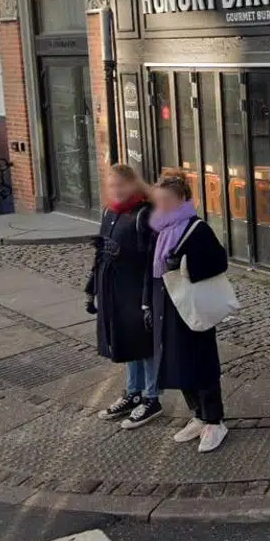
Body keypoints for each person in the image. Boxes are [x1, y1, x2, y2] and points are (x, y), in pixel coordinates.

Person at [149, 171, 231, 453]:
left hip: (193, 306)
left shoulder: (196, 228)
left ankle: (214, 420)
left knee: (202, 361)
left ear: (182, 199)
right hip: (168, 306)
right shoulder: (160, 230)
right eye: (159, 201)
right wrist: (148, 303)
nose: (162, 206)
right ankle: (197, 414)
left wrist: (185, 265)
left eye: (167, 200)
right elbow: (154, 272)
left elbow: (220, 261)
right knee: (179, 363)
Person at [87, 164, 162, 429]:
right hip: (113, 289)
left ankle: (152, 397)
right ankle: (134, 392)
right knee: (126, 342)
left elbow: (153, 258)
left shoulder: (145, 214)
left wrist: (147, 299)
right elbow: (100, 252)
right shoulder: (110, 213)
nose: (116, 190)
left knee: (144, 344)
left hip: (137, 289)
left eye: (121, 185)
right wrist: (91, 289)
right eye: (112, 186)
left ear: (133, 185)